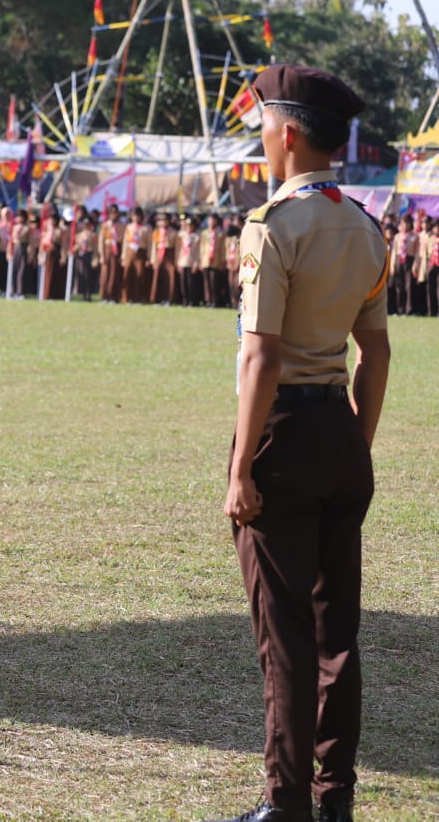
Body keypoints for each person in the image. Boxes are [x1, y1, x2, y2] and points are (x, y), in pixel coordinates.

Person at [209, 65, 390, 822]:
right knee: (335, 635)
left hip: (281, 432)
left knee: (283, 636)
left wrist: (241, 468)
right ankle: (333, 800)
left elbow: (261, 356)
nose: (258, 136)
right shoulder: (368, 226)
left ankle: (285, 805)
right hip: (342, 435)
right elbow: (374, 353)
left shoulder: (272, 226)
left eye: (259, 124)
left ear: (287, 135)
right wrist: (358, 440)